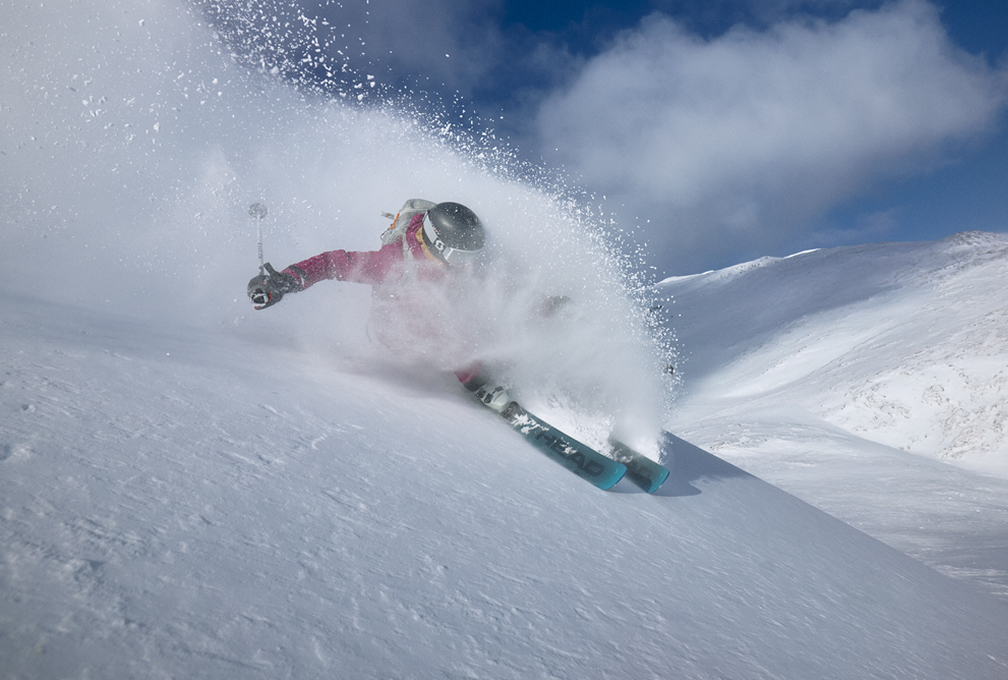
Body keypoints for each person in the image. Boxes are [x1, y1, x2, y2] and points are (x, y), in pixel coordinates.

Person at [247, 200, 511, 410]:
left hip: (435, 302)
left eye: (469, 257)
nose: (463, 264)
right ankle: (478, 382)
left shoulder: (451, 264)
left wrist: (545, 305)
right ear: (436, 244)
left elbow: (493, 282)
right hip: (392, 329)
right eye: (459, 257)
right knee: (435, 324)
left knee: (478, 292)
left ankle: (494, 358)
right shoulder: (393, 265)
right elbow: (331, 263)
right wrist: (285, 281)